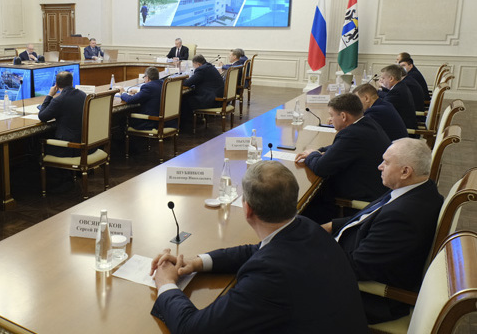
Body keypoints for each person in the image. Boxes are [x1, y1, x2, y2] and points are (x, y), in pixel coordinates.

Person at [150, 161, 369, 333]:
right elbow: (257, 251)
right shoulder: (307, 227)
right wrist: (197, 262)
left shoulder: (270, 275)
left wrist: (166, 283)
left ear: (247, 210)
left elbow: (192, 328)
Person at [326, 138, 443, 324]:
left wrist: (314, 251)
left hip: (366, 296)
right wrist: (329, 227)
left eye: (386, 163)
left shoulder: (403, 216)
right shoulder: (416, 189)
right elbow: (368, 217)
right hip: (353, 250)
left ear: (405, 171)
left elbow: (357, 267)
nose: (379, 167)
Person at [295, 93, 390, 223]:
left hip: (361, 202)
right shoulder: (366, 122)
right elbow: (339, 147)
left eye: (331, 115)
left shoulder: (352, 134)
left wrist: (311, 155)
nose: (330, 119)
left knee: (308, 203)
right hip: (377, 190)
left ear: (344, 116)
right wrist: (319, 151)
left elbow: (321, 168)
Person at [38, 71, 87, 157]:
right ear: (72, 82)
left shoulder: (59, 100)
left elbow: (42, 116)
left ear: (56, 85)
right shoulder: (83, 95)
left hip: (70, 147)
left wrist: (50, 95)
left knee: (35, 146)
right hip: (86, 145)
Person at [181, 55, 224, 120]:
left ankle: (189, 121)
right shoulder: (209, 66)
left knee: (184, 99)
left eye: (194, 66)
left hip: (213, 99)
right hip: (217, 95)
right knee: (187, 95)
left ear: (198, 64)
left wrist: (180, 79)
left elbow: (187, 83)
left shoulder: (201, 69)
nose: (194, 68)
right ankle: (194, 119)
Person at [377, 64, 417, 130]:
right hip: (403, 124)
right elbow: (387, 96)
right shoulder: (400, 86)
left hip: (404, 130)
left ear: (391, 79)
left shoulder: (396, 92)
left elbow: (382, 109)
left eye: (383, 78)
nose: (381, 81)